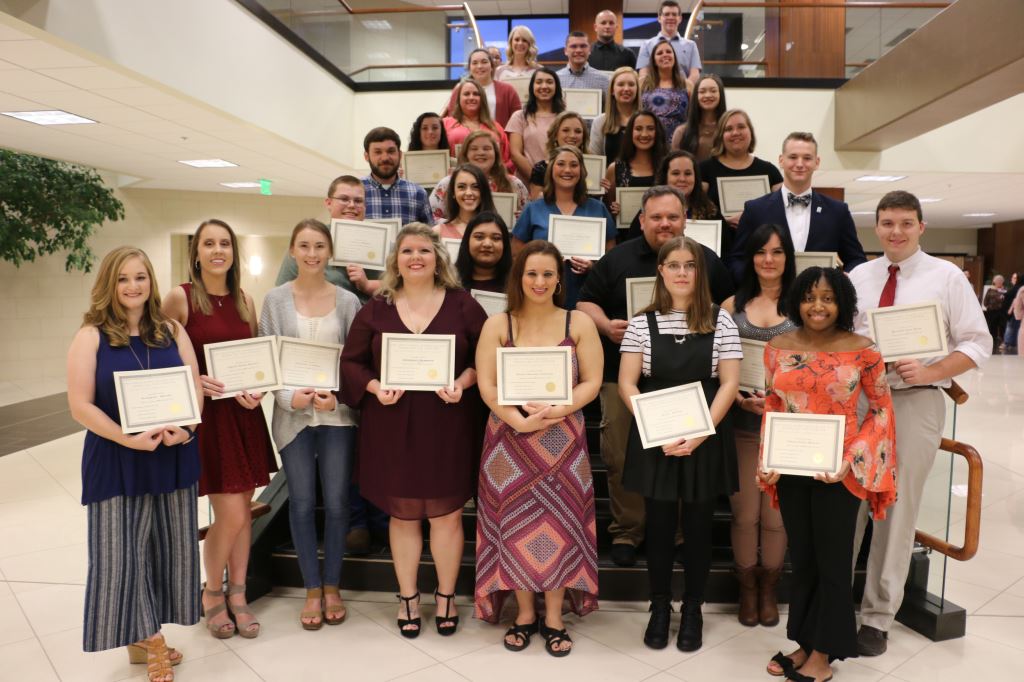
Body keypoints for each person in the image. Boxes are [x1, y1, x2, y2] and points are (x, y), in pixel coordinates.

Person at [849, 191, 991, 656]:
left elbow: (977, 342)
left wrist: (931, 371)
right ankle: (832, 602)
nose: (896, 232)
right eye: (887, 223)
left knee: (896, 508)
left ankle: (877, 616)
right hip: (860, 403)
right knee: (846, 501)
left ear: (921, 227)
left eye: (906, 223)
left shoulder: (947, 277)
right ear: (877, 227)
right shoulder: (859, 277)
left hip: (916, 400)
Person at [340, 223, 488, 639]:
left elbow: (488, 358)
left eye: (424, 250)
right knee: (402, 517)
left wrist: (463, 382)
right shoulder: (377, 307)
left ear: (439, 257)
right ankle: (407, 596)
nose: (416, 257)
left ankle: (444, 596)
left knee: (447, 517)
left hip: (448, 424)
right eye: (407, 251)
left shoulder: (463, 305)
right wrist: (372, 386)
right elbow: (351, 363)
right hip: (392, 424)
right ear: (395, 260)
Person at [578, 186, 732, 567]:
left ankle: (678, 533)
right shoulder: (617, 258)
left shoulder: (705, 259)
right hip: (624, 376)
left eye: (673, 217)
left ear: (685, 220)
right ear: (641, 219)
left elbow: (729, 302)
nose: (665, 224)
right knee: (621, 454)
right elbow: (584, 301)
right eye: (657, 217)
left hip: (690, 380)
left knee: (680, 455)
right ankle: (629, 530)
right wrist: (605, 325)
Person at [69, 246, 202, 682]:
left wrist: (186, 430)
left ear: (151, 282)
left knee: (166, 551)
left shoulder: (172, 329)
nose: (133, 286)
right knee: (119, 555)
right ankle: (152, 638)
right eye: (124, 278)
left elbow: (192, 390)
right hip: (115, 458)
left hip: (170, 456)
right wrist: (128, 438)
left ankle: (142, 638)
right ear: (110, 283)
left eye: (141, 277)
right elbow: (79, 405)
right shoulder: (91, 335)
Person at [760, 266, 897, 682]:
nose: (817, 306)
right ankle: (804, 640)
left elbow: (880, 410)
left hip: (841, 470)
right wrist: (766, 458)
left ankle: (825, 651)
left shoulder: (864, 349)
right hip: (792, 464)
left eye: (828, 298)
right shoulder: (778, 346)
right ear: (797, 300)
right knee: (803, 560)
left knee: (834, 562)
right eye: (809, 297)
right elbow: (773, 402)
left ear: (842, 303)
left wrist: (851, 460)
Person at [474, 241, 603, 657]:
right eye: (532, 273)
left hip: (562, 441)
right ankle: (525, 613)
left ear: (559, 279)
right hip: (508, 444)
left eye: (548, 274)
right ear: (519, 277)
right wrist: (517, 419)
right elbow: (487, 384)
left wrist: (556, 410)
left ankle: (554, 616)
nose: (540, 282)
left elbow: (592, 382)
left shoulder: (577, 322)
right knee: (514, 527)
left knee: (560, 526)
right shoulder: (499, 324)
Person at [619, 235, 740, 652]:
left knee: (699, 527)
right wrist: (659, 431)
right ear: (661, 271)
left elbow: (729, 383)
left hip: (705, 432)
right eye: (674, 265)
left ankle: (692, 608)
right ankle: (659, 606)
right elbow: (627, 383)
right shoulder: (641, 322)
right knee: (659, 526)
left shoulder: (720, 320)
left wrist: (701, 431)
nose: (683, 272)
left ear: (700, 272)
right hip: (658, 435)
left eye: (690, 265)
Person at [163, 219, 276, 641]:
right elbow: (156, 354)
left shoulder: (245, 299)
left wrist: (258, 390)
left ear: (234, 252)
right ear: (196, 252)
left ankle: (239, 593)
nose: (217, 250)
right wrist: (193, 383)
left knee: (242, 513)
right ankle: (212, 593)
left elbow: (254, 361)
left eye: (224, 243)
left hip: (243, 416)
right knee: (229, 513)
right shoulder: (180, 298)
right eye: (208, 243)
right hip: (209, 420)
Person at [259, 219, 361, 630]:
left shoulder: (349, 301)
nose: (312, 253)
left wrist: (339, 395)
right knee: (301, 503)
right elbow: (268, 360)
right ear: (292, 251)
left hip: (337, 415)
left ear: (330, 251)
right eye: (304, 245)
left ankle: (333, 584)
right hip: (292, 416)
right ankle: (312, 588)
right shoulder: (275, 300)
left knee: (337, 503)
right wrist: (288, 398)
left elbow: (355, 363)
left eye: (320, 246)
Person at [720, 223, 796, 627]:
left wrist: (777, 401)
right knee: (745, 514)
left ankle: (770, 586)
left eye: (777, 251)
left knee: (775, 517)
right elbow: (717, 362)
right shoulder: (731, 305)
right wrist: (733, 394)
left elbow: (812, 366)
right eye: (761, 252)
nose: (769, 260)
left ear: (788, 257)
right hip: (741, 425)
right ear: (750, 258)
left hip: (787, 429)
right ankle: (747, 587)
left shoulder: (804, 304)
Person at [726, 132, 866, 283]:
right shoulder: (755, 209)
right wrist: (755, 283)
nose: (799, 164)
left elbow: (856, 259)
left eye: (807, 158)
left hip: (820, 301)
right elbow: (737, 260)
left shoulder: (838, 211)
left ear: (817, 162)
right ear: (781, 160)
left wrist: (845, 278)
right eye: (793, 157)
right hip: (769, 300)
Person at [512, 146, 617, 309]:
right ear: (551, 169)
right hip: (542, 294)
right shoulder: (533, 209)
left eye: (574, 165)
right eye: (561, 164)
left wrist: (593, 267)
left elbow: (611, 253)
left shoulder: (597, 208)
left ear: (581, 171)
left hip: (588, 296)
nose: (567, 170)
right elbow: (516, 252)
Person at [275, 175, 382, 301]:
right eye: (344, 199)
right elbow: (282, 294)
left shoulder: (382, 245)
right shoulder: (308, 242)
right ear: (328, 203)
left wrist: (368, 285)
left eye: (358, 201)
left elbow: (400, 289)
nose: (352, 205)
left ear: (365, 206)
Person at [699, 109, 783, 258]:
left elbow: (782, 212)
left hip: (760, 252)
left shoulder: (769, 170)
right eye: (728, 129)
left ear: (750, 132)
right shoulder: (704, 169)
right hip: (717, 252)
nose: (735, 132)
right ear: (720, 136)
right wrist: (723, 221)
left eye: (741, 127)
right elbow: (694, 210)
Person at [428, 130, 528, 224]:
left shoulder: (514, 184)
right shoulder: (448, 183)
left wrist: (521, 220)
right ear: (466, 154)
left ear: (496, 154)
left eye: (486, 148)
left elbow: (529, 218)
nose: (480, 153)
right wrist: (455, 225)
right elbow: (430, 217)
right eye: (474, 149)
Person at [604, 111, 668, 237]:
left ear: (657, 132)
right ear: (630, 133)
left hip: (662, 236)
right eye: (638, 129)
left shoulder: (667, 167)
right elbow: (607, 210)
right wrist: (614, 211)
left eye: (650, 129)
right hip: (625, 239)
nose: (644, 134)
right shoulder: (615, 168)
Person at [362, 127, 434, 226]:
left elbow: (430, 235)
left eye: (391, 151)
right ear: (366, 156)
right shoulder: (356, 191)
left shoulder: (418, 193)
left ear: (400, 155)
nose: (385, 158)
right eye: (378, 152)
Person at [506, 67, 566, 182]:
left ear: (556, 87)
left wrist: (552, 183)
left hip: (559, 183)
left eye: (549, 82)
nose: (544, 86)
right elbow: (515, 154)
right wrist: (537, 180)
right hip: (528, 182)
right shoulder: (520, 116)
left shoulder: (564, 117)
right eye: (539, 82)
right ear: (532, 87)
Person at [442, 78, 514, 173]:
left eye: (476, 94)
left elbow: (507, 158)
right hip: (456, 181)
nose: (471, 97)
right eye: (466, 94)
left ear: (482, 98)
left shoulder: (496, 127)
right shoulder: (445, 124)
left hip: (492, 181)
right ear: (459, 99)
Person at [443, 48, 522, 128]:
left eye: (484, 62)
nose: (479, 66)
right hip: (465, 139)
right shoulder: (459, 90)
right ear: (469, 68)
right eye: (475, 63)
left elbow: (518, 121)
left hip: (498, 139)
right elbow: (452, 120)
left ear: (492, 66)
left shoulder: (508, 90)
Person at [636, 0, 701, 86]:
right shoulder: (646, 45)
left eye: (674, 14)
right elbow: (643, 75)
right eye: (666, 14)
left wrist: (683, 91)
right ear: (659, 18)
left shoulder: (691, 45)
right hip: (655, 95)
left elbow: (695, 75)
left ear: (680, 18)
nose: (670, 17)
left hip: (683, 95)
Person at [527, 112, 591, 198]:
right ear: (555, 135)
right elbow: (536, 206)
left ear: (583, 137)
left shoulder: (595, 168)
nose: (572, 135)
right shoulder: (541, 169)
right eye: (565, 130)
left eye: (578, 131)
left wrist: (603, 188)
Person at [640, 40, 690, 142]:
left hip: (679, 143)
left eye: (668, 52)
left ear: (674, 57)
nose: (665, 55)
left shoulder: (688, 85)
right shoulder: (642, 83)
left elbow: (694, 116)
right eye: (659, 53)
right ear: (653, 60)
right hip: (647, 141)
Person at [589, 66, 640, 167]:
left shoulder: (648, 121)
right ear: (612, 90)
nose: (626, 89)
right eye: (620, 84)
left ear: (637, 89)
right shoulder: (600, 122)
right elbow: (594, 162)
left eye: (631, 84)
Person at [454, 211, 513, 293]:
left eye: (496, 238)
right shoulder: (450, 281)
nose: (487, 244)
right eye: (479, 237)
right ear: (467, 241)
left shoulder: (517, 284)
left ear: (505, 244)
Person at [671, 74, 726, 162]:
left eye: (713, 91)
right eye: (702, 91)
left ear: (721, 95)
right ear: (696, 96)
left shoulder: (729, 129)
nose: (708, 95)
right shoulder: (681, 132)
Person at [436, 164, 497, 239]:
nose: (468, 193)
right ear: (453, 192)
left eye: (475, 187)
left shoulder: (497, 231)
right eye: (461, 187)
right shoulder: (438, 232)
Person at [982, 274, 1006, 352]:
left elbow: (1006, 302)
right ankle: (992, 343)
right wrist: (989, 306)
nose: (999, 282)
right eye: (997, 281)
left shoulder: (1004, 291)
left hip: (1001, 312)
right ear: (994, 282)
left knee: (1002, 327)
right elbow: (985, 301)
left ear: (1002, 282)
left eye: (1000, 281)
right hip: (991, 312)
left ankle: (1001, 342)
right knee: (992, 328)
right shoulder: (990, 290)